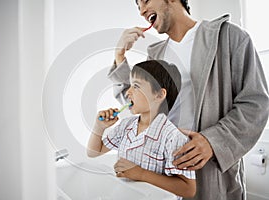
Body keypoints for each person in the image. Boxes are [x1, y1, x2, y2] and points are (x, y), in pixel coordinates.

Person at [107, 0, 269, 199]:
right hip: (164, 177)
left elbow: (255, 104)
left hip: (211, 177)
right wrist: (119, 55)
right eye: (138, 6)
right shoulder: (155, 57)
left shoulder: (230, 37)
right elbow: (138, 105)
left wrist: (213, 141)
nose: (141, 11)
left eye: (146, 1)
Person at [87, 60, 196, 199]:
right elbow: (93, 152)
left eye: (136, 86)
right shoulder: (126, 126)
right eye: (130, 85)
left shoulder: (173, 138)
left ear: (159, 95)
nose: (128, 92)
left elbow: (188, 189)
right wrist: (99, 127)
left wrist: (141, 174)